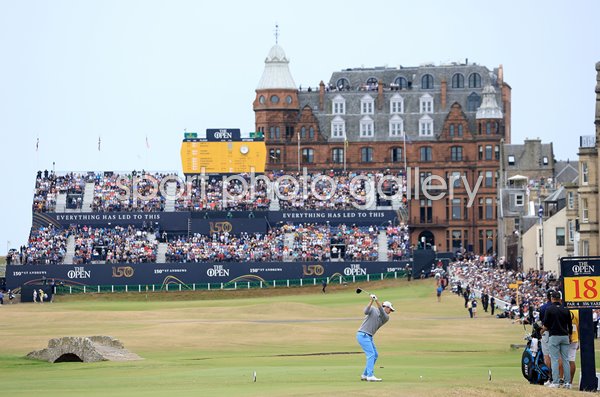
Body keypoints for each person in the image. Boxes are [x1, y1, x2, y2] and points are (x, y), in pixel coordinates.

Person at [356, 294, 395, 382]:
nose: (390, 312)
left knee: (375, 355)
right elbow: (365, 311)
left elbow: (381, 311)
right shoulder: (373, 309)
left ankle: (365, 374)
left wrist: (376, 300)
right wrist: (371, 301)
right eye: (390, 309)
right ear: (386, 307)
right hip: (362, 334)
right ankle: (370, 375)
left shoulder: (386, 317)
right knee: (371, 354)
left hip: (368, 337)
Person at [542, 291, 573, 389]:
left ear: (552, 299)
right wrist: (570, 335)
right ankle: (567, 383)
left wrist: (542, 330)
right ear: (560, 299)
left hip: (554, 335)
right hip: (565, 335)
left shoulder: (549, 309)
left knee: (554, 359)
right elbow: (570, 325)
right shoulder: (565, 309)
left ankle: (555, 382)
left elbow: (546, 325)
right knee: (566, 359)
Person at [568, 310, 579, 386]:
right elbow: (579, 327)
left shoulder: (564, 310)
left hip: (564, 336)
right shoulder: (577, 312)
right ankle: (570, 382)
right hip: (575, 337)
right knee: (571, 360)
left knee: (560, 359)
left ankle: (561, 379)